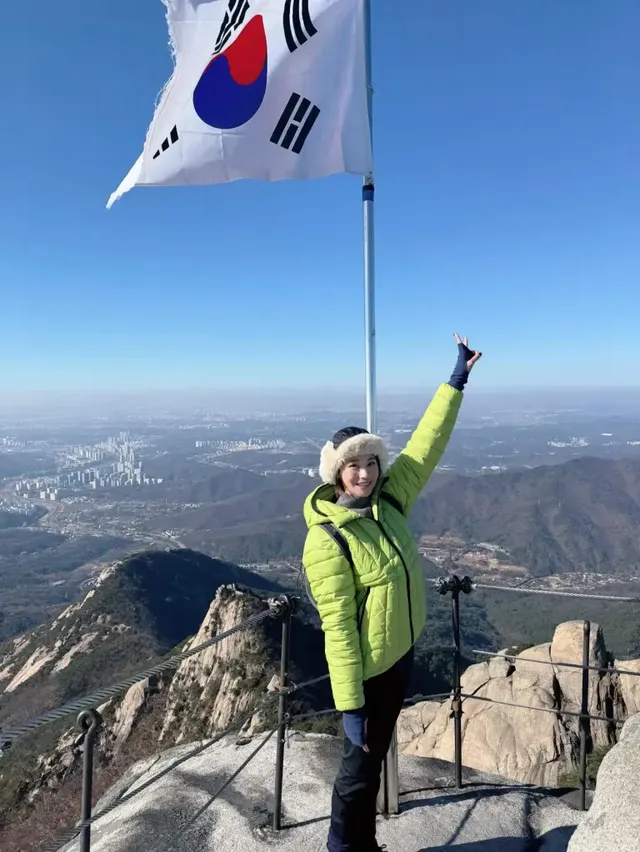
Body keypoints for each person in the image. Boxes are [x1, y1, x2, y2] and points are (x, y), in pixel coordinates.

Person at [302, 334, 482, 852]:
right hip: (368, 674)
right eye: (353, 465)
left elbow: (426, 445)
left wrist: (455, 382)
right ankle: (343, 848)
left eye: (371, 462)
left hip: (399, 656)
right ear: (337, 472)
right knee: (358, 771)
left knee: (374, 759)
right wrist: (350, 704)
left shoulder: (389, 502)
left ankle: (363, 844)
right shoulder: (328, 537)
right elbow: (337, 627)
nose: (364, 472)